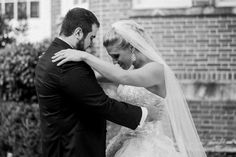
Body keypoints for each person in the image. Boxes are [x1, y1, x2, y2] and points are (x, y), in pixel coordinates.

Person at [52, 20, 207, 157]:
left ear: (132, 48)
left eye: (116, 56)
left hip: (150, 149)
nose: (114, 62)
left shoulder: (156, 70)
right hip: (125, 143)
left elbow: (122, 77)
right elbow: (91, 76)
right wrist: (56, 64)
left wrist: (84, 56)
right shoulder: (128, 69)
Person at [34, 8, 159, 157]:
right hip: (74, 150)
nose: (91, 44)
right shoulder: (67, 63)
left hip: (59, 146)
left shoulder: (49, 56)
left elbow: (88, 84)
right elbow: (102, 104)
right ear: (78, 32)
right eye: (91, 37)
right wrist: (143, 114)